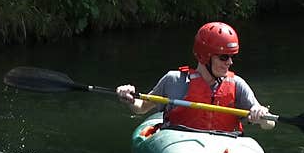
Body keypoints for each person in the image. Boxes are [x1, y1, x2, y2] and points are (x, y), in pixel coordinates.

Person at [116, 21, 273, 134]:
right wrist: (128, 96)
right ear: (205, 56)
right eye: (224, 57)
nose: (230, 62)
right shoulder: (174, 81)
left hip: (225, 147)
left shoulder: (237, 85)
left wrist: (261, 115)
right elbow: (141, 108)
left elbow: (269, 124)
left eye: (232, 57)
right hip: (179, 147)